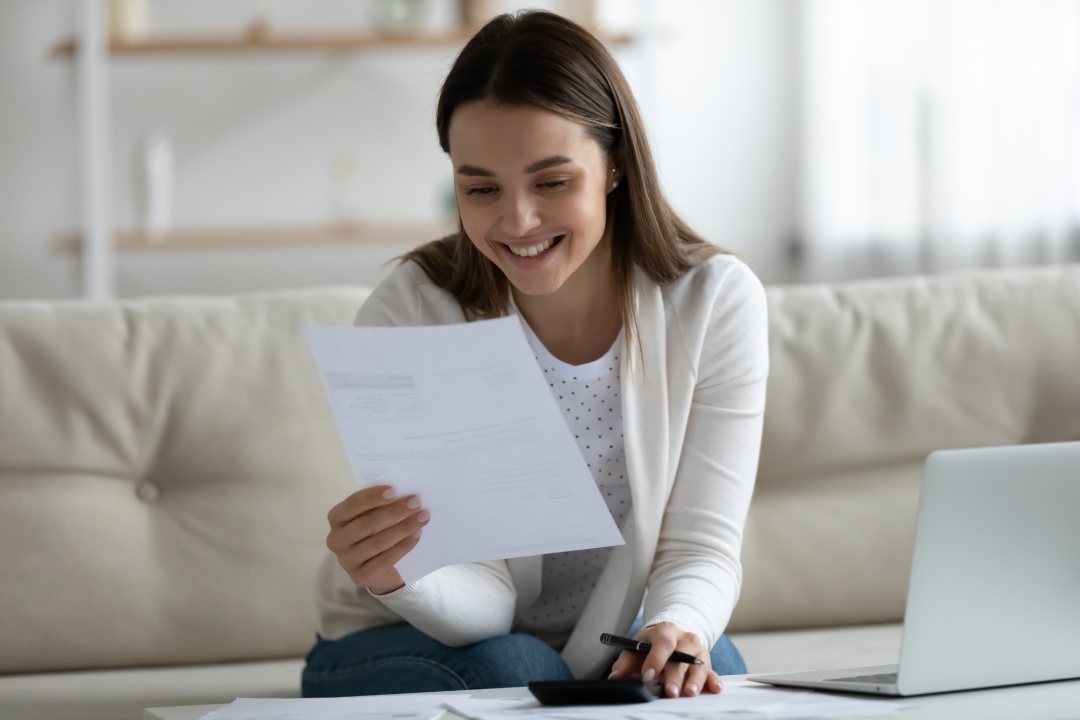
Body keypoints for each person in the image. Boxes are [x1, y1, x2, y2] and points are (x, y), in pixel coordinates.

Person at [303, 10, 768, 700]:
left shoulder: (714, 303)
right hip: (407, 637)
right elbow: (486, 603)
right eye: (481, 189)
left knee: (711, 666)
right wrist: (399, 571)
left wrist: (678, 627)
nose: (516, 222)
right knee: (516, 669)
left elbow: (700, 549)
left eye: (552, 182)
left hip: (596, 638)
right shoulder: (412, 314)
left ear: (613, 166)